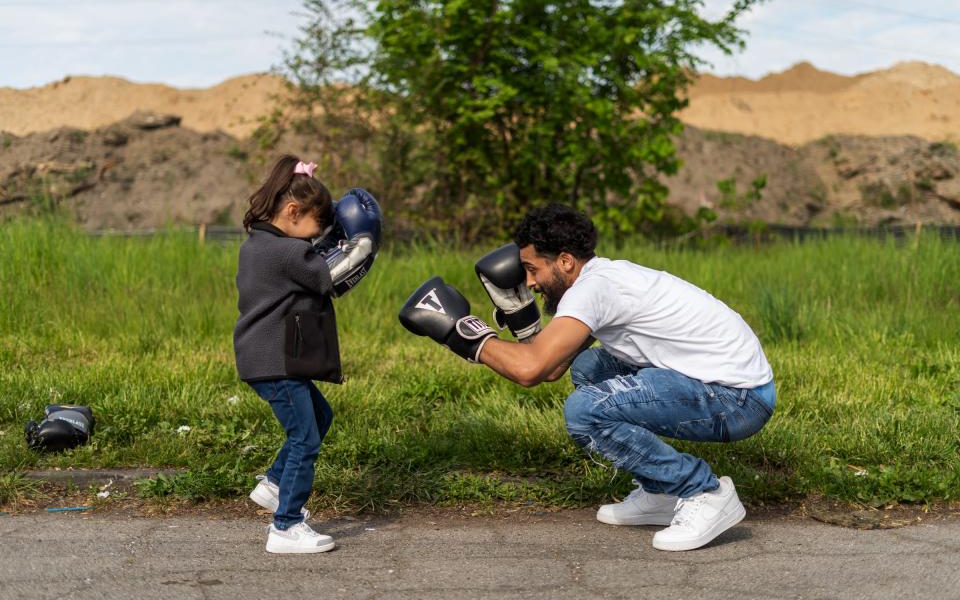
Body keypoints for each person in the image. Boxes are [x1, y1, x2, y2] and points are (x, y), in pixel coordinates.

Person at [399, 202, 775, 552]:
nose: (529, 283)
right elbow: (555, 366)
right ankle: (661, 490)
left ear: (564, 261)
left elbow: (531, 371)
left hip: (738, 400)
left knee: (584, 412)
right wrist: (523, 322)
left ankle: (703, 493)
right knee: (589, 368)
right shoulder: (603, 277)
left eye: (532, 270)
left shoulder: (594, 289)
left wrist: (465, 334)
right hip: (720, 382)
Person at [234, 155, 381, 554]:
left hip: (268, 358)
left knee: (319, 416)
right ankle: (286, 526)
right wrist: (363, 242)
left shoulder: (263, 245)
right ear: (293, 212)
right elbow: (329, 277)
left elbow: (312, 264)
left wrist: (328, 241)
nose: (319, 236)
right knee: (305, 438)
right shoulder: (285, 253)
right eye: (318, 225)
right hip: (275, 360)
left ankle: (275, 484)